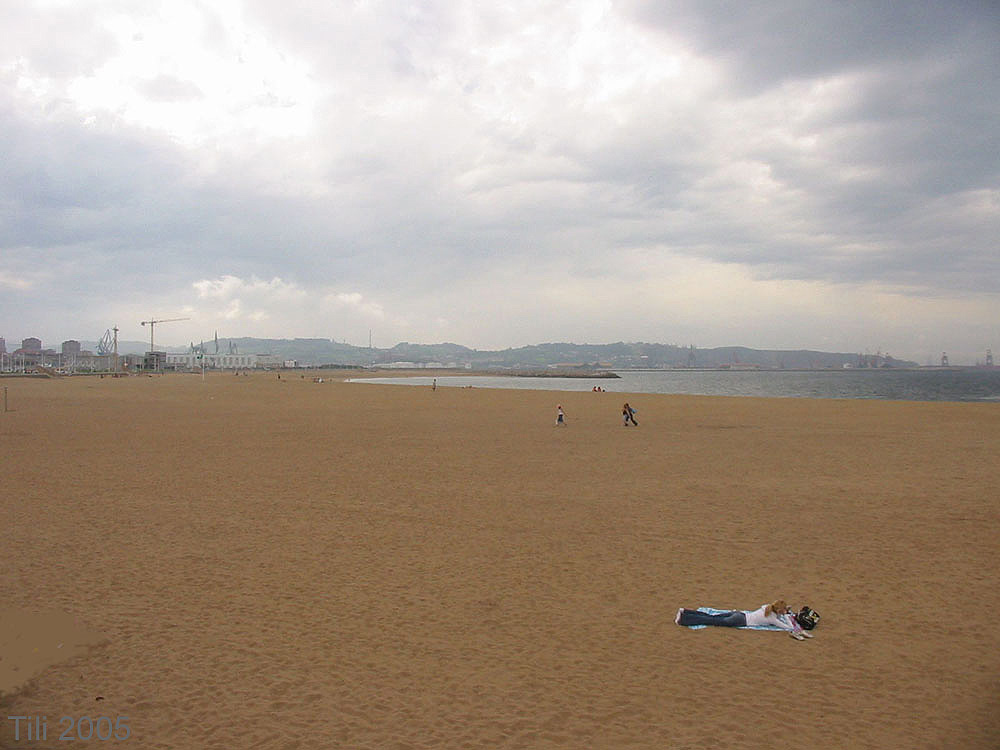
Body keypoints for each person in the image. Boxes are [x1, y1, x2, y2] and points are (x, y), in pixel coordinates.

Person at [675, 600, 813, 639]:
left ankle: (685, 612)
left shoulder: (767, 607)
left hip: (740, 615)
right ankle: (683, 620)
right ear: (780, 611)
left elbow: (778, 612)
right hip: (740, 621)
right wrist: (788, 618)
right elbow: (787, 627)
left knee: (711, 617)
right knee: (710, 621)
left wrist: (784, 613)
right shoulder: (772, 618)